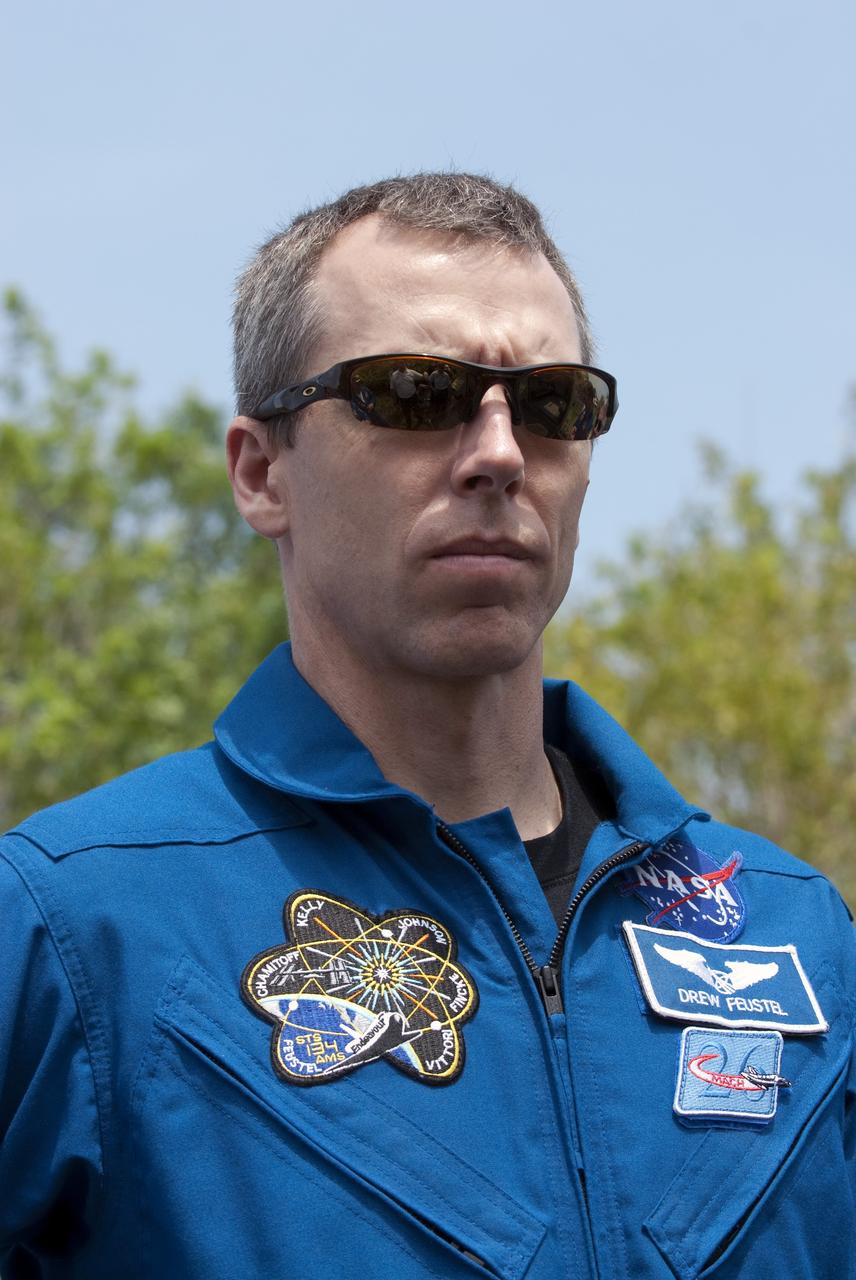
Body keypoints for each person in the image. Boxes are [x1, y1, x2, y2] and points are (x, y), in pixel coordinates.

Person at [1, 172, 853, 1279]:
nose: (500, 452)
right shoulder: (75, 925)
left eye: (549, 402)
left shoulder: (797, 935)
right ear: (261, 473)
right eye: (413, 393)